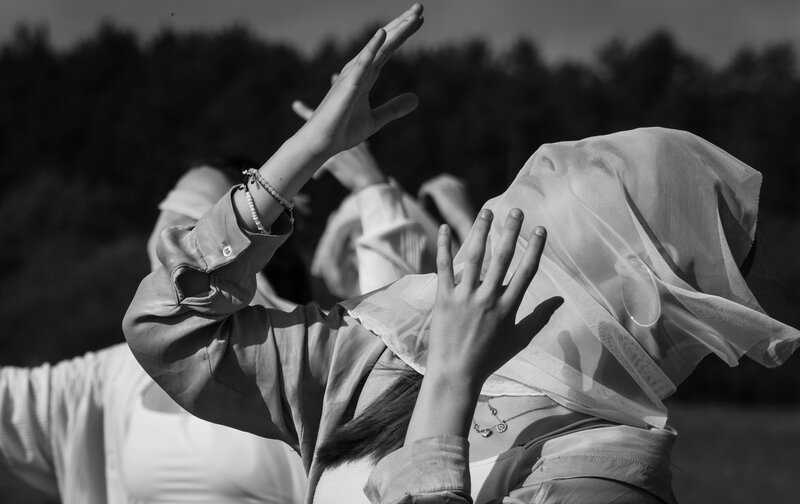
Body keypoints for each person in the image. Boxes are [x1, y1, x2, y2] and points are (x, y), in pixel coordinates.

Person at [123, 4, 800, 503]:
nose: (532, 209)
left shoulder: (606, 472)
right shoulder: (386, 357)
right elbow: (168, 331)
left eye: (587, 212)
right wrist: (307, 151)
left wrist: (451, 381)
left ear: (642, 281)